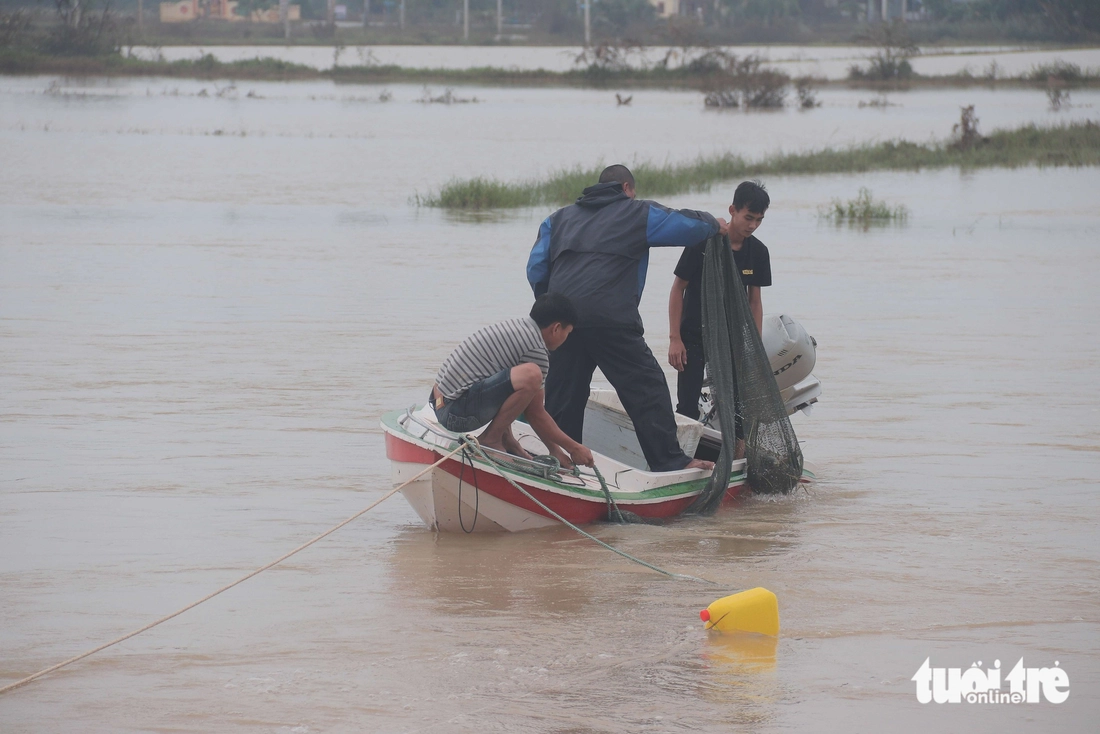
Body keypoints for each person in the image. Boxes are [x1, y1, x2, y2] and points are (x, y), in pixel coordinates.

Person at [526, 164, 726, 472]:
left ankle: (561, 463)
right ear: (626, 189)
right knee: (646, 388)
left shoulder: (557, 219)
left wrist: (554, 309)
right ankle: (670, 463)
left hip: (561, 322)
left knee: (563, 394)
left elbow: (536, 269)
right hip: (611, 319)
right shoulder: (635, 212)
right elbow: (685, 225)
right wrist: (714, 223)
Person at [432, 293, 594, 468]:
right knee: (531, 375)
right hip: (454, 414)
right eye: (567, 333)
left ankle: (506, 439)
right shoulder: (536, 349)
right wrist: (574, 448)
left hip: (438, 401)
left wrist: (555, 451)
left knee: (514, 380)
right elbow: (535, 413)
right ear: (556, 328)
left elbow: (512, 396)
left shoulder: (519, 328)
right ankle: (491, 440)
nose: (566, 339)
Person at [668, 180, 772, 426]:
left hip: (731, 340)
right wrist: (675, 338)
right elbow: (677, 289)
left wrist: (753, 348)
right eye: (748, 217)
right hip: (693, 336)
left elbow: (754, 302)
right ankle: (683, 456)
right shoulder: (703, 242)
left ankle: (736, 455)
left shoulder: (758, 252)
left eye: (759, 220)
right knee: (686, 407)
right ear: (732, 210)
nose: (753, 225)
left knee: (738, 410)